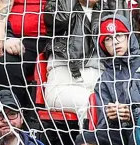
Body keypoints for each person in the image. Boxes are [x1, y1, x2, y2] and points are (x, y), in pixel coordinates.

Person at [44, 0, 114, 128]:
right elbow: (60, 18)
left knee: (116, 106)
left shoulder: (106, 10)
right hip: (64, 83)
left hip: (98, 83)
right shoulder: (58, 6)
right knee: (92, 103)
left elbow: (125, 33)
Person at [94, 15, 140, 145]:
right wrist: (110, 117)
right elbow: (101, 124)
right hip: (119, 134)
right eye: (108, 39)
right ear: (103, 47)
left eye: (119, 35)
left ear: (128, 37)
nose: (114, 42)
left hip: (138, 129)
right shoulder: (104, 80)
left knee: (135, 138)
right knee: (85, 139)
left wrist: (132, 115)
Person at [0, 0, 49, 109]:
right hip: (16, 38)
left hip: (54, 38)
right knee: (7, 65)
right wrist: (6, 35)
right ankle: (12, 116)